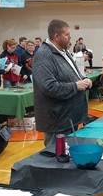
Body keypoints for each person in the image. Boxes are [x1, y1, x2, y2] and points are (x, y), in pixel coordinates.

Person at [33, 19, 92, 147]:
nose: (70, 37)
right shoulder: (44, 55)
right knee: (57, 159)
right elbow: (48, 87)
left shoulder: (64, 52)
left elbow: (72, 73)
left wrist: (83, 79)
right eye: (67, 35)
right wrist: (76, 86)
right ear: (56, 36)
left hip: (70, 117)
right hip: (58, 121)